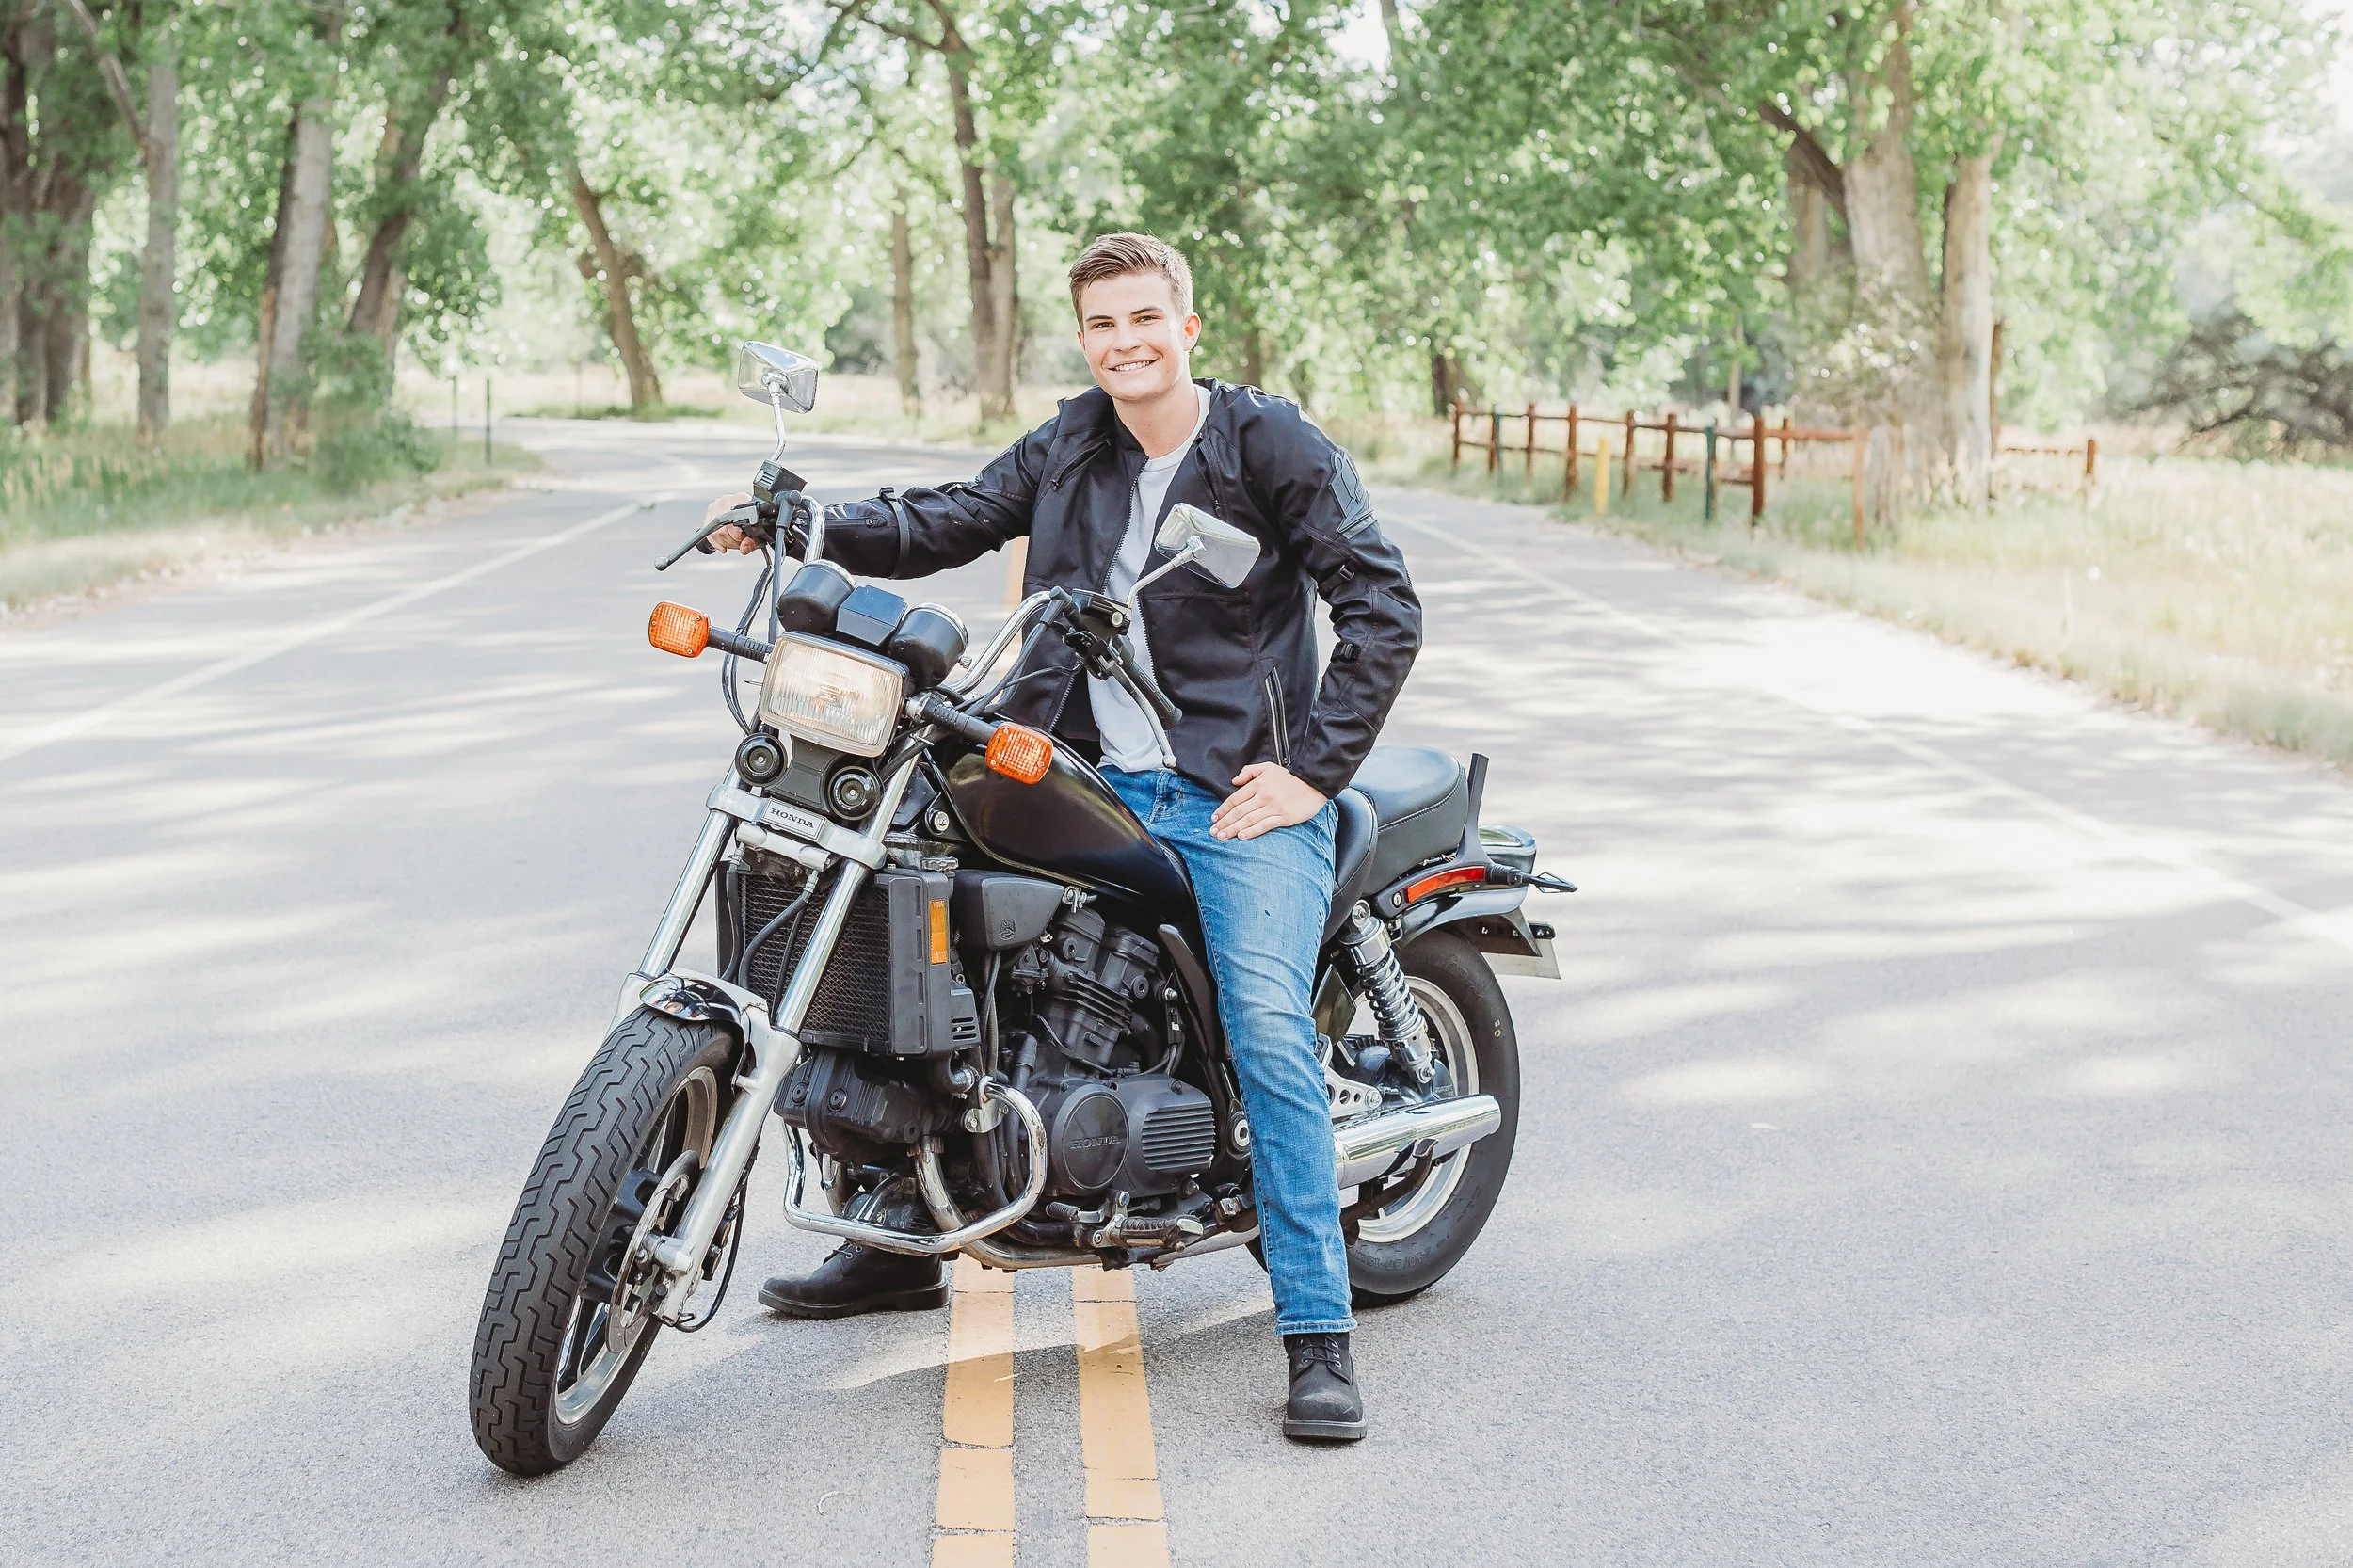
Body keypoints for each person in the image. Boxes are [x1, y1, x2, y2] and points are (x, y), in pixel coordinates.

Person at [703, 232, 1421, 1442]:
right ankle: (897, 1227)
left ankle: (1316, 1329)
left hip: (1228, 789)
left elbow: (1382, 606)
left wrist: (1305, 774)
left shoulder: (1271, 447)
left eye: (1146, 319)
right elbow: (954, 515)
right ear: (1083, 338)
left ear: (1188, 326)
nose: (1125, 344)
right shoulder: (1076, 436)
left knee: (1263, 1021)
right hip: (1076, 767)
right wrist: (803, 522)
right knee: (902, 907)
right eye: (1101, 326)